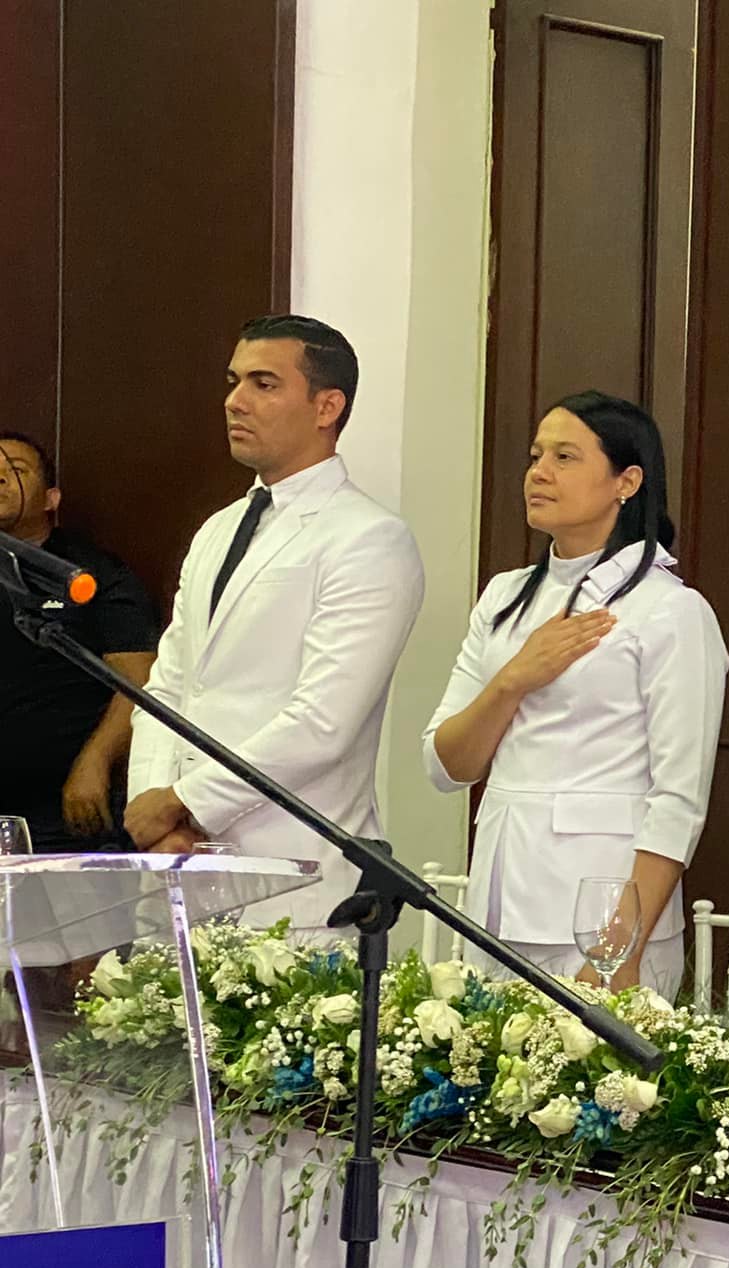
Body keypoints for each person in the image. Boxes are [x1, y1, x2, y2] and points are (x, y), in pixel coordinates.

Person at [126, 314, 426, 929]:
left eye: (263, 384)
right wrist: (153, 809)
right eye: (233, 381)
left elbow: (322, 722)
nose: (235, 401)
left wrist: (186, 802)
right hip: (179, 866)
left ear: (327, 407)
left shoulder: (368, 537)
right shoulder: (219, 529)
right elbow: (169, 686)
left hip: (291, 874)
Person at [424, 391, 726, 997]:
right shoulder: (504, 596)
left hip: (604, 919)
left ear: (627, 482)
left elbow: (679, 799)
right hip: (497, 908)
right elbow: (446, 765)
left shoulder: (670, 609)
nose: (539, 471)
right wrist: (513, 680)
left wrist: (620, 946)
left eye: (565, 457)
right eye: (536, 455)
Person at [0, 430, 159, 850]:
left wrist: (97, 760)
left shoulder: (88, 574)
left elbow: (140, 679)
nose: (0, 478)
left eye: (16, 470)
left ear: (51, 498)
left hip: (59, 812)